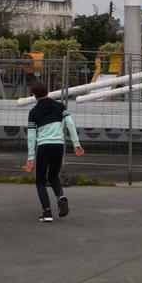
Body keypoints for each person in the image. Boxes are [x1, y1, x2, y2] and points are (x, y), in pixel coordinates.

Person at [22, 81, 84, 222]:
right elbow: (70, 124)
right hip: (58, 146)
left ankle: (47, 212)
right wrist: (76, 144)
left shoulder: (33, 112)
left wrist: (30, 157)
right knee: (53, 175)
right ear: (48, 91)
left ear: (34, 95)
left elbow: (31, 136)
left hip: (43, 146)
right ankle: (60, 196)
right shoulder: (59, 106)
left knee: (40, 180)